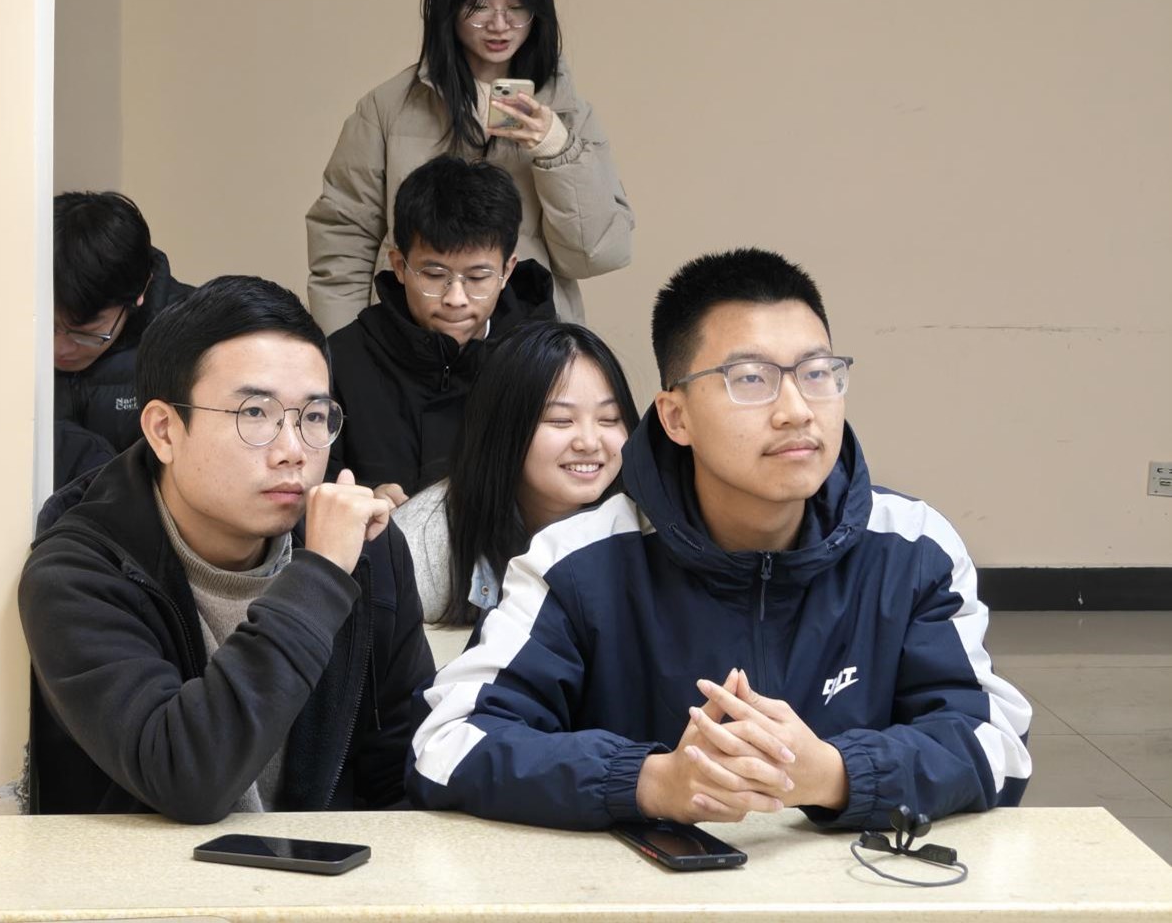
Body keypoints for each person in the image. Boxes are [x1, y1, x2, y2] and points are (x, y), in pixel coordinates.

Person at [407, 248, 1032, 831]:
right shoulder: (577, 563)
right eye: (751, 378)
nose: (797, 409)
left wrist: (836, 773)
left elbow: (996, 740)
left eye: (818, 373)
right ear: (676, 417)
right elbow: (448, 745)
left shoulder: (912, 546)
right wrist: (649, 782)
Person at [20, 275, 434, 821]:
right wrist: (321, 577)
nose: (293, 450)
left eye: (313, 417)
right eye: (254, 414)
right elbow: (185, 777)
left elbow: (406, 772)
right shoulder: (77, 574)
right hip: (144, 874)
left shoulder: (368, 550)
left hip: (327, 868)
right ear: (164, 431)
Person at [306, 0, 632, 338]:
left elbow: (598, 254)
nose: (500, 24)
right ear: (447, 5)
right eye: (479, 6)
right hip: (409, 349)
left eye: (517, 7)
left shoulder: (569, 116)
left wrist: (557, 149)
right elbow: (343, 240)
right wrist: (346, 353)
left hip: (529, 351)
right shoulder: (386, 109)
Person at [327, 155, 556, 500]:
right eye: (434, 275)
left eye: (477, 277)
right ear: (399, 266)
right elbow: (309, 483)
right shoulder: (341, 361)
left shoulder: (546, 363)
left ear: (507, 271)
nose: (456, 298)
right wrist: (362, 499)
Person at [393, 321, 640, 623]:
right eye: (561, 420)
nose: (589, 442)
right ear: (503, 427)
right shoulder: (419, 543)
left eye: (610, 418)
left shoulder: (650, 525)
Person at [53, 190, 192, 488]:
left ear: (140, 293)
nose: (59, 348)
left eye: (84, 332)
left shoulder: (194, 339)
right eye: (50, 327)